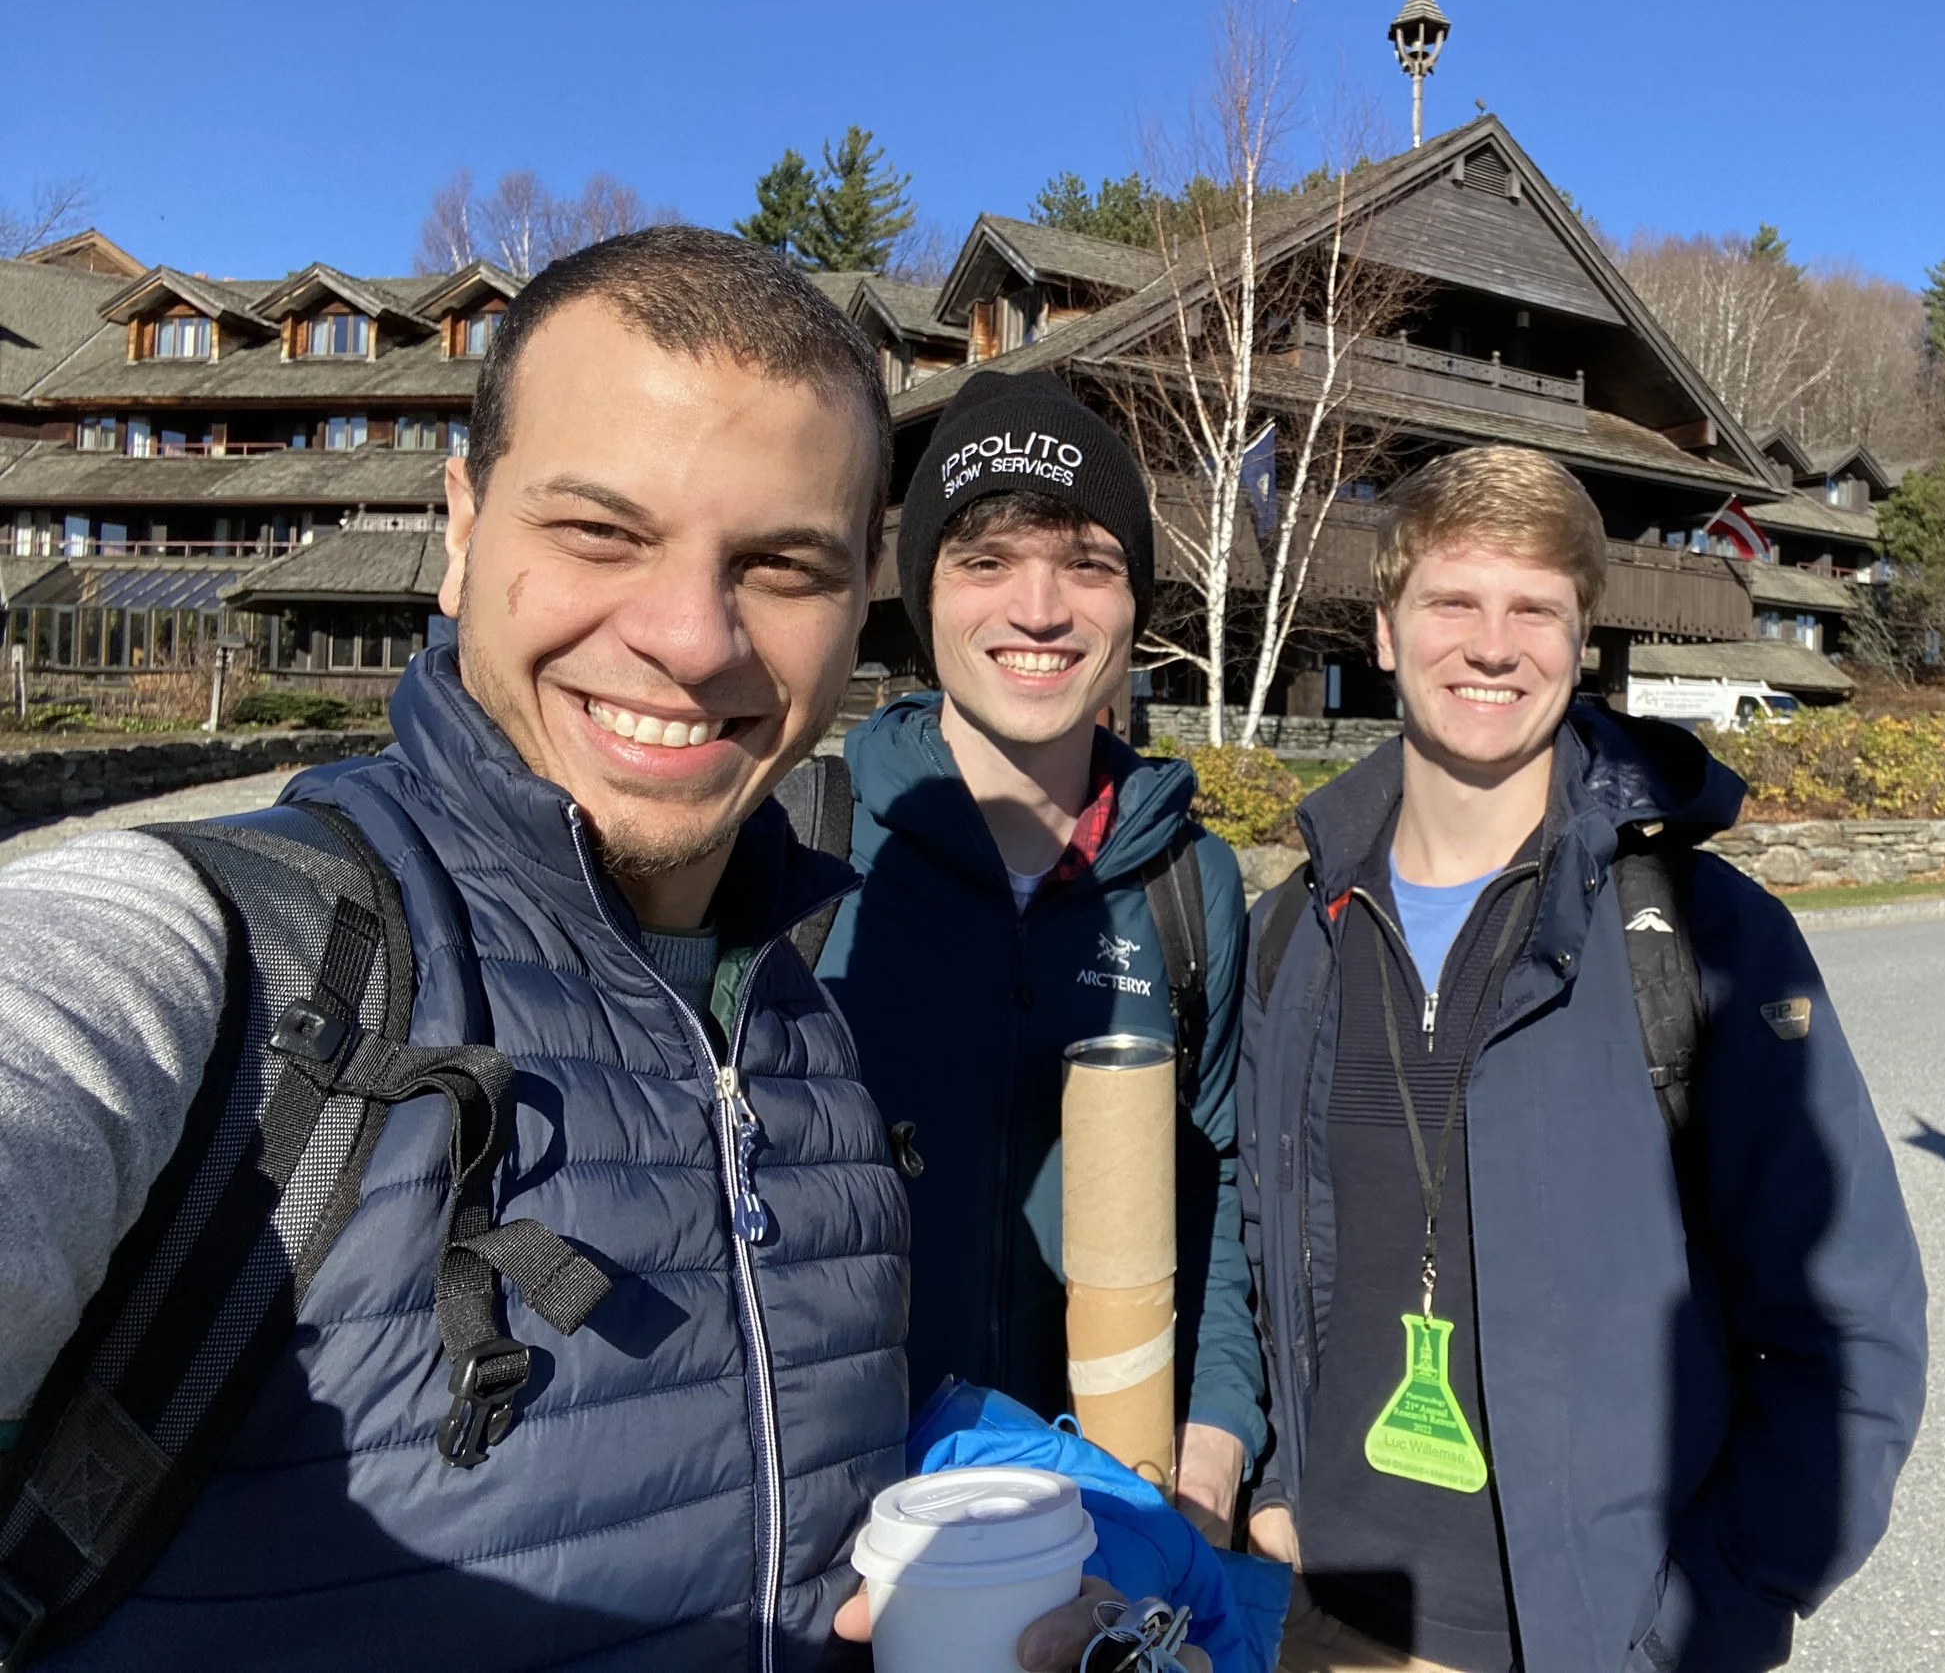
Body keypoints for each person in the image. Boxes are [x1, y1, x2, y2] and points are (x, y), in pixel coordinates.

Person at [0, 230, 1136, 1672]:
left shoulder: (803, 1023)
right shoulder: (231, 955)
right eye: (601, 531)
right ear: (461, 528)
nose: (690, 638)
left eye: (780, 563)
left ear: (862, 597)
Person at [1237, 447, 1928, 1673]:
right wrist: (1279, 1484)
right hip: (1331, 1614)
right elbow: (1268, 1242)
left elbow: (1845, 1317)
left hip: (1596, 1638)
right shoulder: (1295, 931)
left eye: (1534, 610)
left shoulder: (1703, 937)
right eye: (1452, 601)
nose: (1491, 647)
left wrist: (1709, 1614)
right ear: (1385, 632)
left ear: (1579, 636)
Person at [818, 368, 1263, 1548]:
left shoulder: (1190, 886)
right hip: (846, 1528)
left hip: (1111, 1515)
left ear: (1134, 606)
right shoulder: (800, 854)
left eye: (1087, 564)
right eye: (986, 561)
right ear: (922, 591)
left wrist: (1214, 1444)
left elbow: (1218, 1184)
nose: (1040, 608)